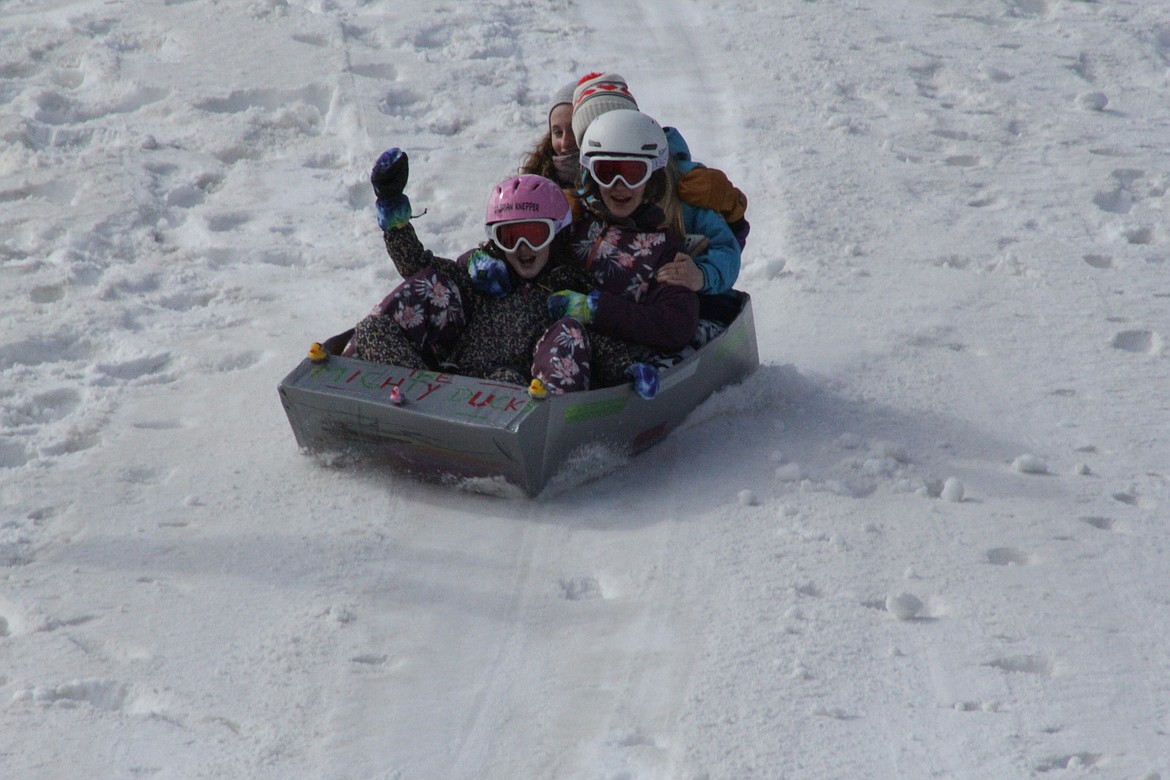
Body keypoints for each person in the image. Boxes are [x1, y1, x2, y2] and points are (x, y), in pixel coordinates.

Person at [348, 152, 596, 394]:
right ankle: (353, 380)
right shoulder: (483, 278)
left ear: (557, 235)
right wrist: (394, 215)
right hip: (441, 390)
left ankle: (545, 424)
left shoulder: (570, 296)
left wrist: (627, 365)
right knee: (378, 325)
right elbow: (418, 266)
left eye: (535, 235)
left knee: (516, 372)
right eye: (508, 236)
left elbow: (602, 344)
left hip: (510, 405)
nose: (522, 247)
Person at [546, 109, 701, 395]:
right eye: (607, 172)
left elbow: (676, 324)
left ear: (651, 178)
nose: (619, 186)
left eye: (632, 173)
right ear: (592, 175)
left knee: (570, 338)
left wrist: (596, 310)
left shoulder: (662, 248)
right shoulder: (574, 221)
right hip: (542, 341)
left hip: (605, 365)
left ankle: (548, 418)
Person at [519, 81, 579, 188]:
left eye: (574, 130)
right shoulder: (532, 185)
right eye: (558, 133)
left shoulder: (614, 188)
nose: (565, 142)